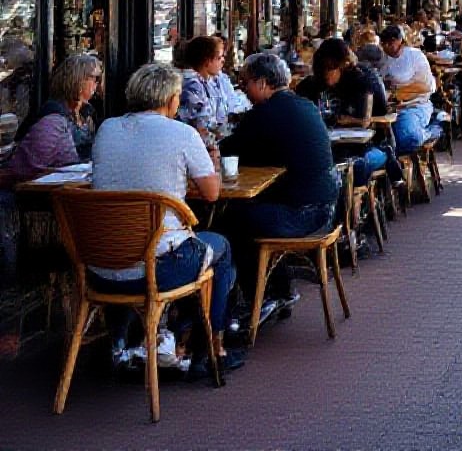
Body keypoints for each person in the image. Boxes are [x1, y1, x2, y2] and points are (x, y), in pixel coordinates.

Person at [90, 63, 241, 375]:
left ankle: (138, 342)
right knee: (220, 248)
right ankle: (211, 350)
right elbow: (212, 193)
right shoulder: (182, 133)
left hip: (100, 268)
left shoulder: (107, 128)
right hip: (157, 270)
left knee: (167, 244)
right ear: (172, 99)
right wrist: (210, 163)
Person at [219, 53, 339, 306]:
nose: (243, 90)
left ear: (262, 83)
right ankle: (278, 288)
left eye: (245, 83)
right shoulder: (304, 105)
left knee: (228, 222)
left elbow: (229, 150)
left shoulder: (264, 113)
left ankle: (255, 300)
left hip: (301, 215)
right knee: (244, 214)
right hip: (327, 209)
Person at [296, 38, 400, 186]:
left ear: (343, 65)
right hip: (331, 146)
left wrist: (350, 120)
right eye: (322, 68)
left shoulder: (363, 79)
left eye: (330, 68)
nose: (326, 74)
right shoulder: (312, 84)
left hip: (372, 145)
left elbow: (366, 120)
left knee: (354, 167)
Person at [10, 53, 100, 180]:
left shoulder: (87, 114)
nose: (97, 84)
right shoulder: (53, 118)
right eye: (95, 78)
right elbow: (28, 169)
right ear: (78, 80)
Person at [379, 24, 441, 154]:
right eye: (384, 44)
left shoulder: (414, 56)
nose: (386, 47)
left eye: (390, 43)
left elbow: (425, 87)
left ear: (399, 40)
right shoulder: (384, 59)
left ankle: (433, 130)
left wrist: (398, 94)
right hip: (391, 106)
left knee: (409, 138)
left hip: (415, 105)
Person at [178, 35, 229, 134]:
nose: (223, 60)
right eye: (219, 58)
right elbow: (201, 127)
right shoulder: (192, 86)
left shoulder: (209, 82)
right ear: (207, 61)